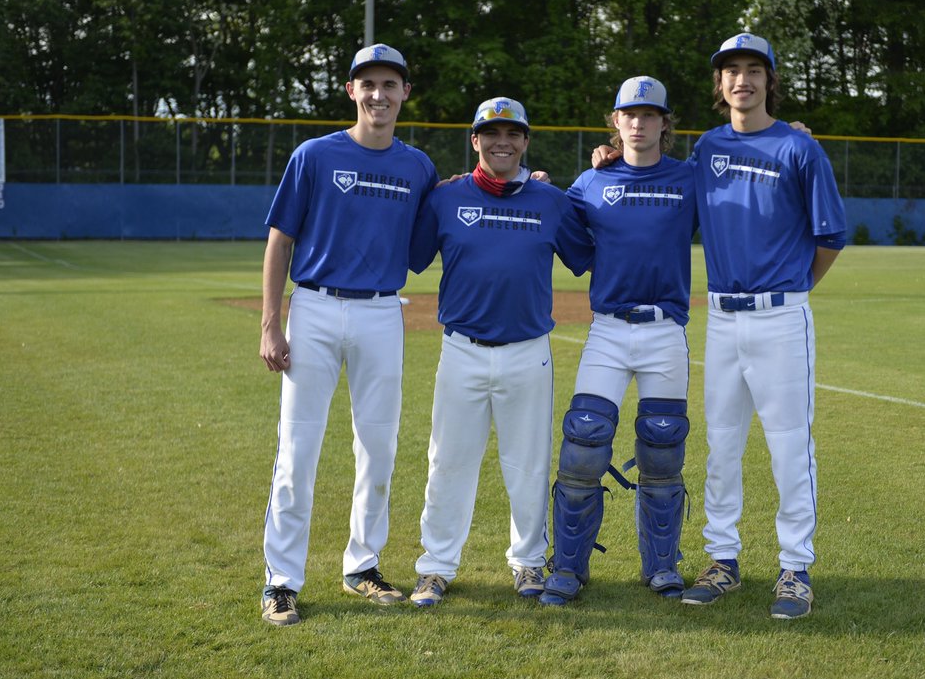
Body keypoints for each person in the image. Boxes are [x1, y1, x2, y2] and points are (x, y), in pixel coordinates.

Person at [258, 43, 439, 626]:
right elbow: (280, 241)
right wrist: (270, 324)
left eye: (390, 84)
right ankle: (281, 581)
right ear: (351, 90)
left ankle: (362, 566)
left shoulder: (418, 166)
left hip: (382, 312)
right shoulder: (314, 155)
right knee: (298, 448)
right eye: (369, 84)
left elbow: (432, 236)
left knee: (379, 446)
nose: (379, 95)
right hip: (312, 308)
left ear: (405, 93)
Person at [677, 32, 846, 619]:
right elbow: (664, 189)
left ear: (769, 80)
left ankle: (795, 568)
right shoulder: (705, 148)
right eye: (731, 70)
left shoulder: (800, 150)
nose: (742, 79)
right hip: (721, 319)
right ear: (720, 84)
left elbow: (830, 237)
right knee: (721, 445)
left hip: (781, 318)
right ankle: (722, 560)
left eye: (753, 69)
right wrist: (609, 158)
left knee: (788, 447)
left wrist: (794, 292)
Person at [406, 97, 593, 607]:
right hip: (461, 350)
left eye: (512, 133)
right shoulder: (446, 199)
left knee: (528, 464)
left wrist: (611, 162)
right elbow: (412, 253)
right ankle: (436, 567)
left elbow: (589, 250)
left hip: (527, 351)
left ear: (526, 142)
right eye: (491, 133)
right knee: (448, 462)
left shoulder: (549, 201)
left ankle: (529, 564)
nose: (502, 141)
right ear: (475, 141)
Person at [540, 77, 698, 606]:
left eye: (650, 114)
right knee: (583, 444)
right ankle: (567, 567)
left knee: (663, 447)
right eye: (629, 114)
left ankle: (661, 566)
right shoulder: (589, 182)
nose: (639, 122)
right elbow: (574, 248)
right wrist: (542, 187)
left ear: (663, 124)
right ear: (615, 120)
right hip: (608, 329)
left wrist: (785, 138)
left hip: (665, 329)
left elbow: (743, 199)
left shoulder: (690, 179)